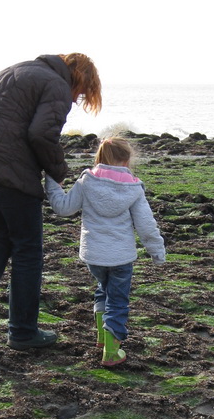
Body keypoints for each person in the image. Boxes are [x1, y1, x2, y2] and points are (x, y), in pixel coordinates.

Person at [0, 53, 102, 351]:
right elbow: (41, 134)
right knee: (28, 249)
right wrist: (57, 171)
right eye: (81, 93)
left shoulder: (10, 72)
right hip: (8, 174)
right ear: (78, 78)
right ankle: (23, 332)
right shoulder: (56, 83)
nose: (77, 98)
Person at [45, 137, 165, 367]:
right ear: (127, 160)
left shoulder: (86, 182)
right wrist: (157, 252)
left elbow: (62, 208)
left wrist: (51, 182)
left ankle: (103, 338)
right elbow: (146, 225)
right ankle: (111, 352)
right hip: (121, 257)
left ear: (99, 157)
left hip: (94, 256)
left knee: (103, 290)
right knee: (118, 301)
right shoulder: (133, 188)